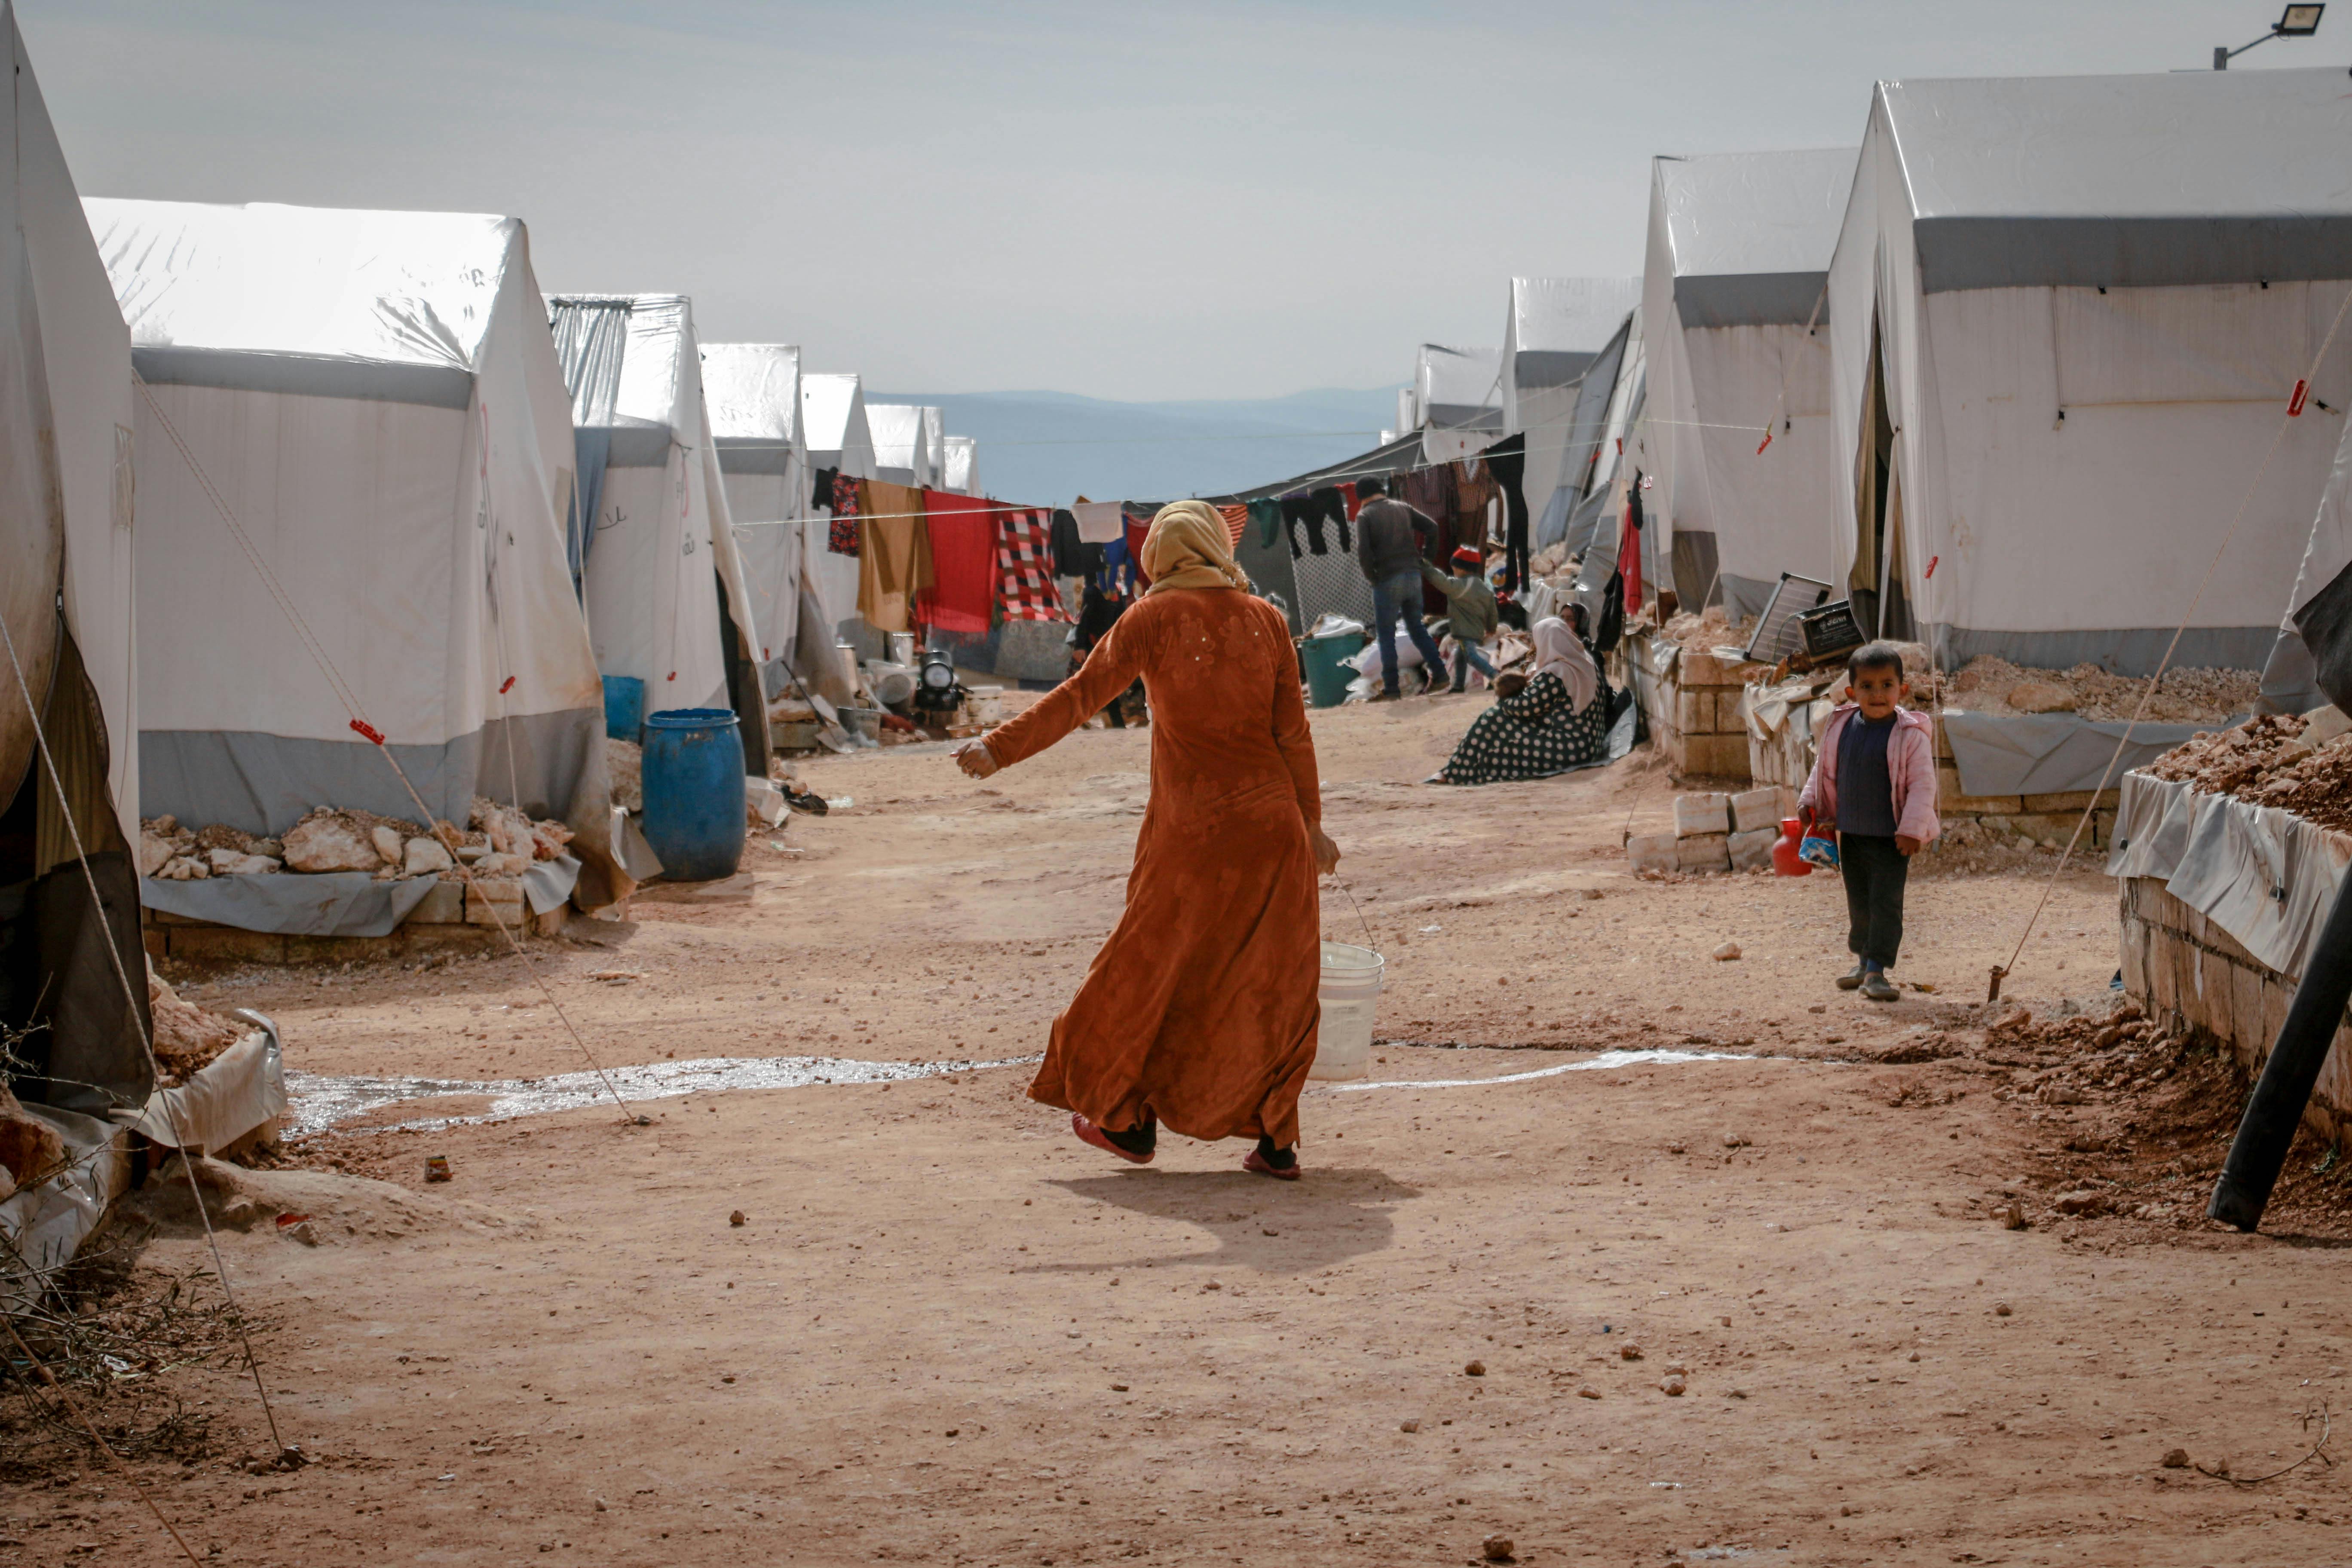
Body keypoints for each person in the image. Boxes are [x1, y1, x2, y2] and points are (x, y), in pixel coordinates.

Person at [955, 500, 1341, 1179]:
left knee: (1141, 972)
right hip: (1273, 831)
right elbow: (1294, 737)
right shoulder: (1268, 620)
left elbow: (1081, 696)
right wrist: (1312, 827)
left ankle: (1128, 1121)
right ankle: (1277, 1139)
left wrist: (999, 748)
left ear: (1160, 555)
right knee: (1271, 983)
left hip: (1192, 838)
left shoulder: (1149, 619)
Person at [1795, 642, 1940, 1002]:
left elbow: (1923, 786)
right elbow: (1825, 768)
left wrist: (1911, 831)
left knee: (1886, 903)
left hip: (1892, 840)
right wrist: (1809, 800)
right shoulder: (1842, 726)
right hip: (1853, 834)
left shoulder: (1910, 736)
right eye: (1868, 687)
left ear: (1902, 690)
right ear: (1852, 691)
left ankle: (1877, 970)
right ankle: (1862, 962)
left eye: (1887, 685)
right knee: (1859, 901)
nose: (1878, 694)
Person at [1429, 616, 1614, 785]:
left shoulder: (1556, 674)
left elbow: (1525, 708)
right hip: (1590, 743)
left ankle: (1452, 773)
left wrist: (1502, 700)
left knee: (1494, 718)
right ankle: (1460, 770)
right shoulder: (1585, 663)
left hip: (1568, 749)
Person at [1352, 475, 1449, 699]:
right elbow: (1432, 528)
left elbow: (1364, 552)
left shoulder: (1365, 515)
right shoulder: (1402, 507)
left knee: (1386, 636)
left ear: (1361, 497)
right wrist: (1426, 559)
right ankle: (1441, 673)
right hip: (1413, 576)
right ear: (1382, 490)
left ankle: (1393, 689)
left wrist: (1372, 578)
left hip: (1387, 579)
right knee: (1417, 628)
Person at [1418, 545, 1500, 692]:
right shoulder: (1482, 587)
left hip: (1465, 630)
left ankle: (1496, 677)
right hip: (1476, 628)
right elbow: (1492, 610)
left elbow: (1441, 581)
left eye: (1454, 567)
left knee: (1471, 656)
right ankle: (1458, 686)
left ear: (1462, 568)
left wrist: (1426, 566)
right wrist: (1491, 627)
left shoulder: (1461, 587)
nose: (1453, 571)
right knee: (1460, 655)